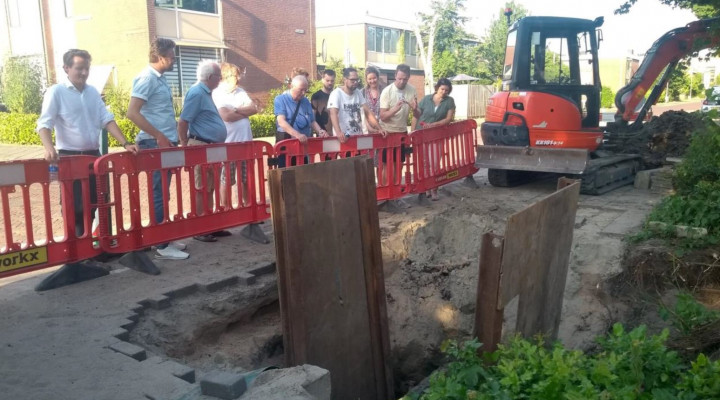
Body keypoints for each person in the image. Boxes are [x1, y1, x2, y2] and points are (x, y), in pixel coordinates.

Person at [37, 49, 138, 238]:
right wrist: (49, 147)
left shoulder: (92, 92)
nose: (84, 73)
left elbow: (106, 119)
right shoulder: (56, 92)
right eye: (79, 68)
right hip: (70, 157)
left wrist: (125, 143)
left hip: (93, 156)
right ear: (66, 68)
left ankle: (90, 249)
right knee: (74, 206)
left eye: (86, 68)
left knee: (94, 202)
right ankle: (76, 255)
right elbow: (44, 123)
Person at [127, 38, 189, 260]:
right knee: (159, 192)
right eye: (172, 56)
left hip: (163, 142)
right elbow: (132, 112)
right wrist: (158, 136)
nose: (174, 60)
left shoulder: (159, 79)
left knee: (163, 191)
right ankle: (161, 244)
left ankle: (162, 237)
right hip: (156, 143)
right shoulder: (147, 79)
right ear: (161, 57)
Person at [177, 60, 228, 242]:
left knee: (210, 186)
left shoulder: (204, 93)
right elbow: (183, 121)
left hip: (209, 147)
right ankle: (201, 228)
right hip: (201, 146)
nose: (220, 80)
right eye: (218, 77)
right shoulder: (197, 93)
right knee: (202, 188)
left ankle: (210, 224)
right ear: (209, 77)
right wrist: (184, 145)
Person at [213, 62, 259, 210]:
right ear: (225, 77)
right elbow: (226, 116)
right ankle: (226, 207)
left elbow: (253, 109)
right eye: (235, 76)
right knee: (226, 178)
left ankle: (247, 205)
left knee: (246, 178)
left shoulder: (240, 91)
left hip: (245, 142)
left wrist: (235, 110)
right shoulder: (217, 93)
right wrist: (241, 111)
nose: (238, 79)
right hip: (229, 143)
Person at [412, 78, 456, 200]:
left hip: (436, 135)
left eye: (447, 90)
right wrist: (413, 131)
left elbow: (448, 119)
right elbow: (417, 115)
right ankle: (427, 187)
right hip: (422, 133)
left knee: (435, 163)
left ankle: (434, 188)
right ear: (437, 88)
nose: (444, 92)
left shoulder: (449, 101)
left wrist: (433, 125)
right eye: (442, 89)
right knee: (425, 163)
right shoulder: (426, 99)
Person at [274, 75, 328, 167]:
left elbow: (312, 121)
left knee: (303, 172)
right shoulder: (280, 99)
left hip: (302, 146)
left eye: (305, 90)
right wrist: (297, 135)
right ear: (292, 86)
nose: (303, 93)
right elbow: (281, 122)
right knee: (286, 173)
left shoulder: (305, 101)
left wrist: (320, 131)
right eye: (301, 90)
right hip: (287, 145)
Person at [379, 64, 420, 184]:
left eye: (405, 79)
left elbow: (417, 115)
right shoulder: (387, 91)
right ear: (395, 75)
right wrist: (394, 110)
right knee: (387, 165)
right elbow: (382, 116)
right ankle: (386, 194)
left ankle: (396, 193)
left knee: (400, 164)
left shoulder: (412, 89)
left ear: (409, 77)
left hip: (402, 132)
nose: (402, 81)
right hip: (387, 132)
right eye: (399, 78)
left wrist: (415, 109)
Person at [328, 67, 385, 143]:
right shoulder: (336, 94)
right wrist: (338, 133)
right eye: (352, 80)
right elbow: (333, 113)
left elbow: (367, 112)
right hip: (344, 138)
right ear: (345, 80)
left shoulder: (358, 92)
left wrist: (379, 128)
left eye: (356, 80)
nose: (355, 82)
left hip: (358, 137)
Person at [310, 69, 335, 134]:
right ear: (322, 80)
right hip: (323, 134)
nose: (330, 83)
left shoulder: (337, 95)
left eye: (332, 81)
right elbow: (312, 117)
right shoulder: (316, 96)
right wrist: (319, 131)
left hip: (337, 133)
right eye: (327, 80)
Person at [361, 66, 385, 130]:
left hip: (383, 127)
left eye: (374, 78)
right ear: (366, 79)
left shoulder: (385, 91)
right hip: (367, 127)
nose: (372, 81)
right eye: (370, 79)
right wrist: (368, 127)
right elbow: (361, 112)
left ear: (378, 77)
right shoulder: (362, 92)